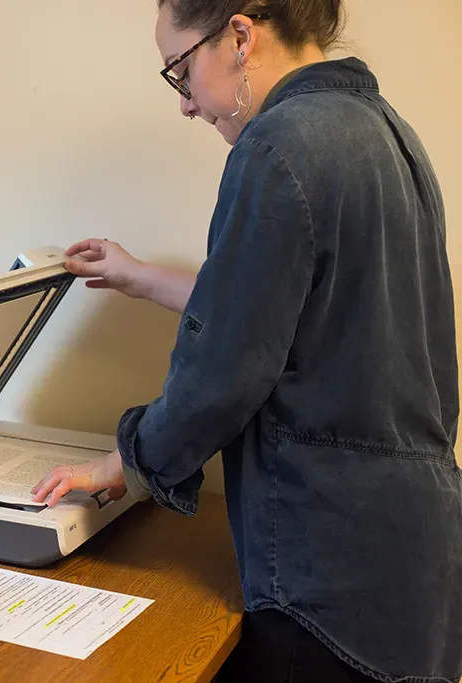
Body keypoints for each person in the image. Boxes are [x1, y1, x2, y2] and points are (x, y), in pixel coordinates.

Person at [31, 1, 462, 682]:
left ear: (238, 36)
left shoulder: (279, 145)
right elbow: (293, 307)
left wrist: (126, 459)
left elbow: (224, 372)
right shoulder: (388, 133)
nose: (187, 105)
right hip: (415, 573)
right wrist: (137, 275)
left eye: (180, 71)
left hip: (327, 581)